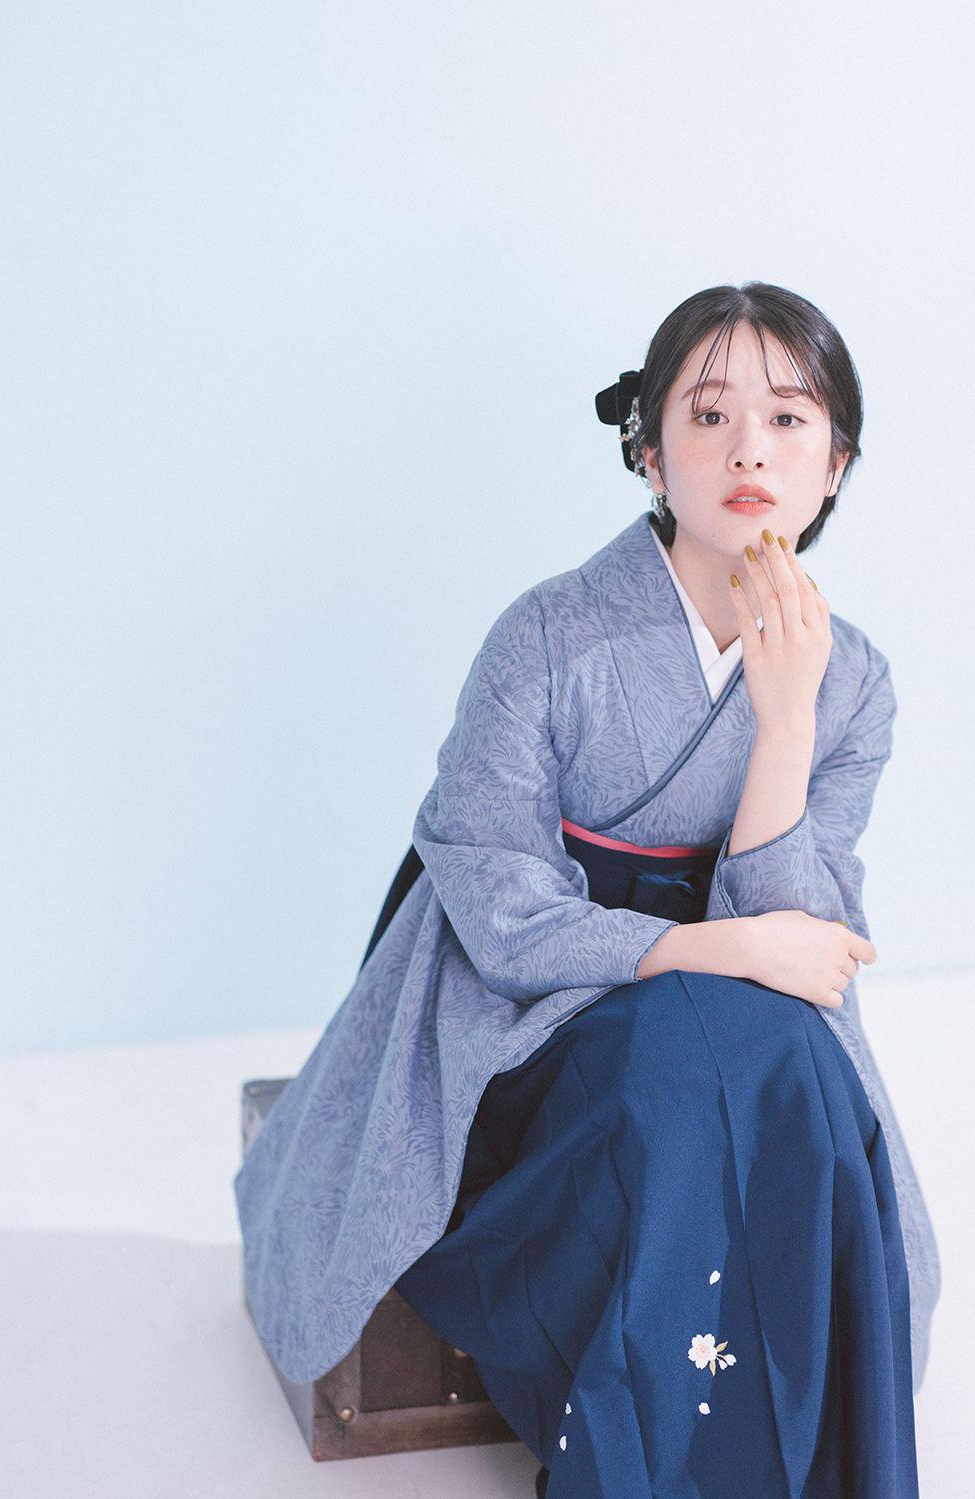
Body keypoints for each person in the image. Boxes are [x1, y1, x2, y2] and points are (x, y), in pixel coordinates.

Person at [237, 283, 939, 1498]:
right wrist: (711, 951)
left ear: (835, 463)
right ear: (650, 453)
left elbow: (809, 944)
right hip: (531, 1024)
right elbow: (502, 910)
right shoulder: (548, 636)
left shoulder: (852, 681)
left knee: (781, 1059)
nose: (749, 450)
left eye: (788, 419)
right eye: (709, 415)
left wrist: (783, 722)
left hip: (734, 1029)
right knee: (695, 1065)